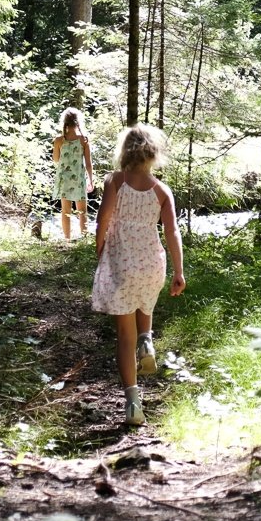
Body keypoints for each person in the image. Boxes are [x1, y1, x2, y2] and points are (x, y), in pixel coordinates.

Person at [91, 122, 185, 427]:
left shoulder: (115, 181)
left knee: (123, 337)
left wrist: (101, 247)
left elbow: (103, 218)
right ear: (153, 155)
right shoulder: (162, 191)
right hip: (152, 264)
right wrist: (179, 271)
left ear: (125, 151)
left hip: (123, 262)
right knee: (146, 304)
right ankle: (148, 341)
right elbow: (172, 231)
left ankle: (133, 404)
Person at [51, 107, 94, 240]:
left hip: (64, 179)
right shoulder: (84, 140)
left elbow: (56, 160)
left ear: (65, 122)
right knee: (82, 211)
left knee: (65, 211)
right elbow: (88, 163)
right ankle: (84, 237)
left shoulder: (59, 140)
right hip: (79, 178)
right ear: (78, 122)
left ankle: (67, 239)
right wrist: (91, 180)